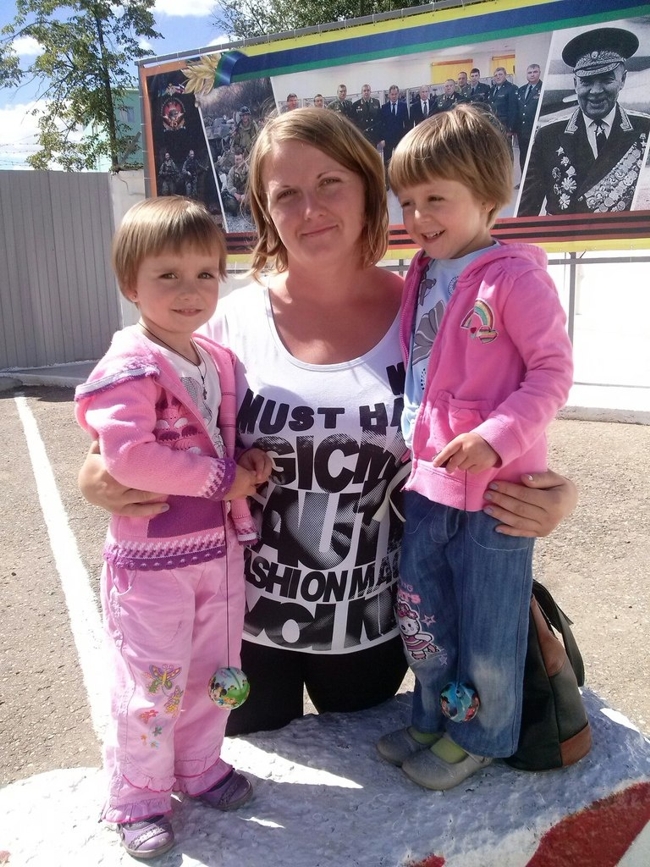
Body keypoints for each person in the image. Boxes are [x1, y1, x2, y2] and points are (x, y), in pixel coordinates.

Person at [79, 109, 579, 739]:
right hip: (241, 630)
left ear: (368, 189)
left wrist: (553, 496)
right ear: (265, 210)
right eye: (286, 193)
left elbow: (513, 403)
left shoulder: (431, 308)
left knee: (364, 774)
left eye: (329, 182)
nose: (310, 208)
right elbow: (143, 424)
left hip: (373, 630)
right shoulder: (223, 322)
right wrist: (94, 473)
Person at [376, 104, 573, 791]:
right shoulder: (422, 272)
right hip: (429, 480)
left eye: (436, 198)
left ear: (489, 197)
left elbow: (553, 372)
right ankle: (434, 714)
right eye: (407, 201)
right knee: (424, 610)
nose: (418, 216)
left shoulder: (515, 277)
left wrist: (496, 438)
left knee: (489, 624)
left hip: (498, 495)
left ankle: (482, 735)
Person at [74, 197, 272, 858]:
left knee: (213, 673)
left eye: (205, 274)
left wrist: (246, 461)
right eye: (168, 275)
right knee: (151, 685)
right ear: (130, 284)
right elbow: (129, 457)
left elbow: (218, 438)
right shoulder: (130, 364)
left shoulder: (213, 359)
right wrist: (223, 480)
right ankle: (138, 795)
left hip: (217, 552)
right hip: (153, 561)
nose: (190, 291)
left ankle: (199, 765)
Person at [518, 27, 650, 216]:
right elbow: (525, 213)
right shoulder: (547, 136)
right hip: (564, 235)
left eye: (606, 80)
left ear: (622, 80)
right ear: (575, 84)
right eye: (586, 82)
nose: (595, 91)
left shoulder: (644, 128)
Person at [380, 85, 410, 185]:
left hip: (400, 138)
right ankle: (387, 182)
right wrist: (382, 139)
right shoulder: (384, 107)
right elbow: (381, 124)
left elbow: (407, 123)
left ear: (398, 94)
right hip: (387, 139)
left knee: (400, 160)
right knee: (387, 162)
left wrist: (406, 138)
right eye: (392, 94)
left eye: (395, 94)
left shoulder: (403, 106)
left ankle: (401, 181)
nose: (394, 96)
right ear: (389, 95)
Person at [516, 64, 543, 173]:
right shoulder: (521, 90)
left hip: (535, 130)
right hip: (522, 131)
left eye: (535, 72)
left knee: (535, 158)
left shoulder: (543, 88)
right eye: (530, 72)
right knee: (523, 156)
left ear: (539, 73)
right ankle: (523, 178)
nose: (532, 75)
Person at [489, 67, 519, 159]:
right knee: (495, 152)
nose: (498, 77)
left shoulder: (511, 88)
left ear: (505, 75)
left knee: (507, 152)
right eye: (496, 75)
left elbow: (513, 109)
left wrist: (510, 129)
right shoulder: (492, 89)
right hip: (493, 125)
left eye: (500, 74)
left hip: (505, 125)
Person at [223, 149, 250, 215]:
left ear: (243, 159)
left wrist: (247, 195)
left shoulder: (249, 170)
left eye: (239, 159)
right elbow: (229, 186)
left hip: (246, 194)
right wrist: (236, 195)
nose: (237, 162)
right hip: (236, 194)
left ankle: (246, 206)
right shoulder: (232, 171)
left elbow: (252, 185)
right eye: (236, 159)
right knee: (232, 205)